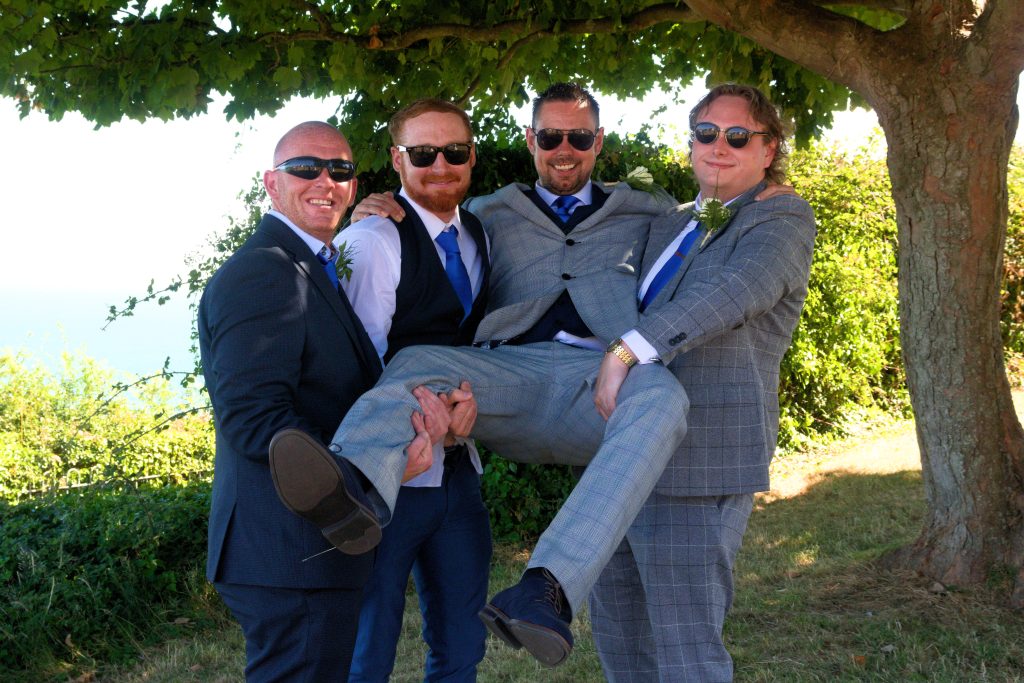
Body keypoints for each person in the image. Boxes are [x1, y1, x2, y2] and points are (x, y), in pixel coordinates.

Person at [269, 83, 691, 668]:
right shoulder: (487, 213)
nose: (562, 149)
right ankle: (350, 487)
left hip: (597, 379)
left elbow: (709, 234)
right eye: (549, 137)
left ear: (598, 141)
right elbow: (417, 224)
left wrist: (763, 193)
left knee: (665, 395)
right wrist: (367, 208)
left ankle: (547, 588)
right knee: (417, 361)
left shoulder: (649, 210)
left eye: (576, 137)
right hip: (507, 374)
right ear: (529, 141)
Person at [198, 121, 448, 681]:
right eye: (305, 168)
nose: (325, 180)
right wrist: (376, 468)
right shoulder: (266, 272)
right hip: (289, 550)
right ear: (271, 183)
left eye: (339, 170)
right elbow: (255, 419)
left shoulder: (312, 266)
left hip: (310, 549)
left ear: (355, 186)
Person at [588, 84, 816, 681]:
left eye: (738, 136)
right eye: (707, 134)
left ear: (768, 149)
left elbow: (735, 292)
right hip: (622, 453)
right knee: (618, 627)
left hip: (700, 457)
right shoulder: (670, 223)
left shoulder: (780, 215)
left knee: (685, 644)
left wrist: (628, 350)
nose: (720, 146)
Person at [339, 99, 492, 682]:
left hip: (458, 477)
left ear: (471, 157)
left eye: (454, 152)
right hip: (389, 481)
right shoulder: (374, 240)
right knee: (367, 654)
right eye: (423, 153)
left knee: (461, 648)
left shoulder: (479, 232)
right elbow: (357, 365)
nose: (440, 165)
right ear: (397, 161)